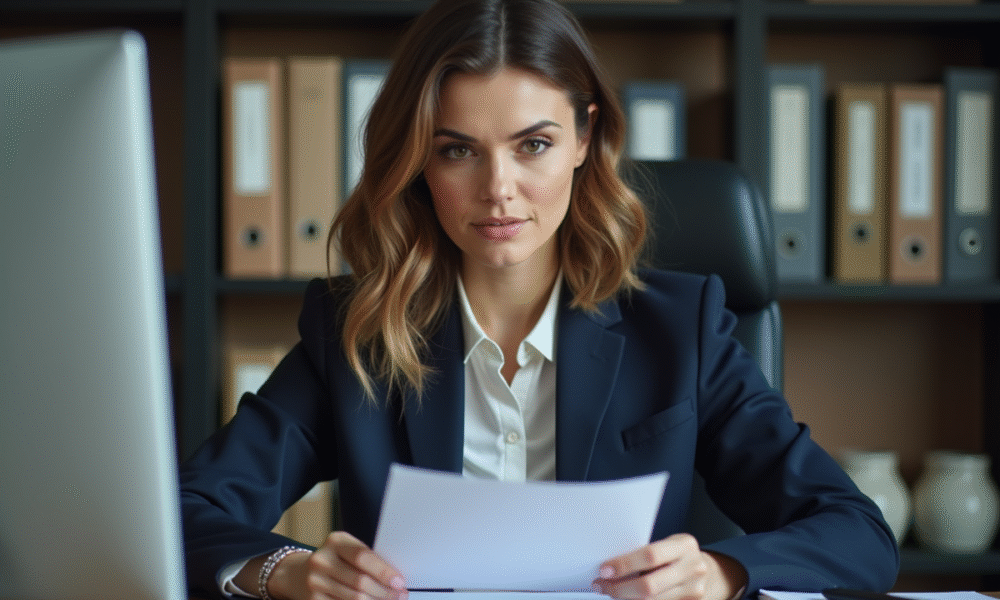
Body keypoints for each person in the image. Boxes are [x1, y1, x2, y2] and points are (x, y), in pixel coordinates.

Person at [179, 0, 900, 598]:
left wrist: (720, 573)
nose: (499, 189)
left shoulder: (680, 329)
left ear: (585, 137)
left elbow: (856, 534)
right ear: (419, 161)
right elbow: (182, 513)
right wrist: (283, 570)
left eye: (533, 145)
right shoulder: (358, 332)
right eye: (458, 150)